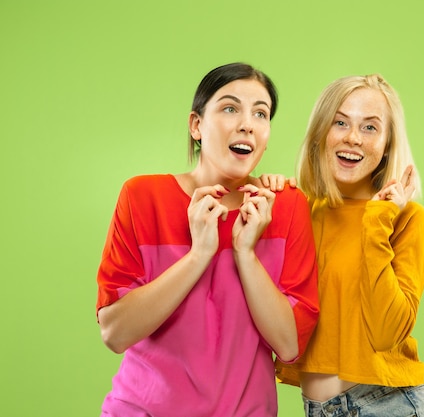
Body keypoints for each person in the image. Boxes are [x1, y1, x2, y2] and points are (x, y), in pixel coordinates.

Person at [96, 62, 319, 417]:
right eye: (230, 108)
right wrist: (199, 253)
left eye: (261, 114)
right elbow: (116, 332)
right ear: (196, 125)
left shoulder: (287, 206)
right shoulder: (142, 197)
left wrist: (246, 253)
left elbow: (289, 344)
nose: (247, 123)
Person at [269, 74, 424, 416]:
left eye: (370, 128)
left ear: (387, 145)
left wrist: (378, 220)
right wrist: (270, 195)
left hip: (389, 405)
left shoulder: (407, 220)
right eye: (340, 122)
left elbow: (385, 334)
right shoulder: (304, 213)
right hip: (319, 409)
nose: (353, 138)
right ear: (321, 133)